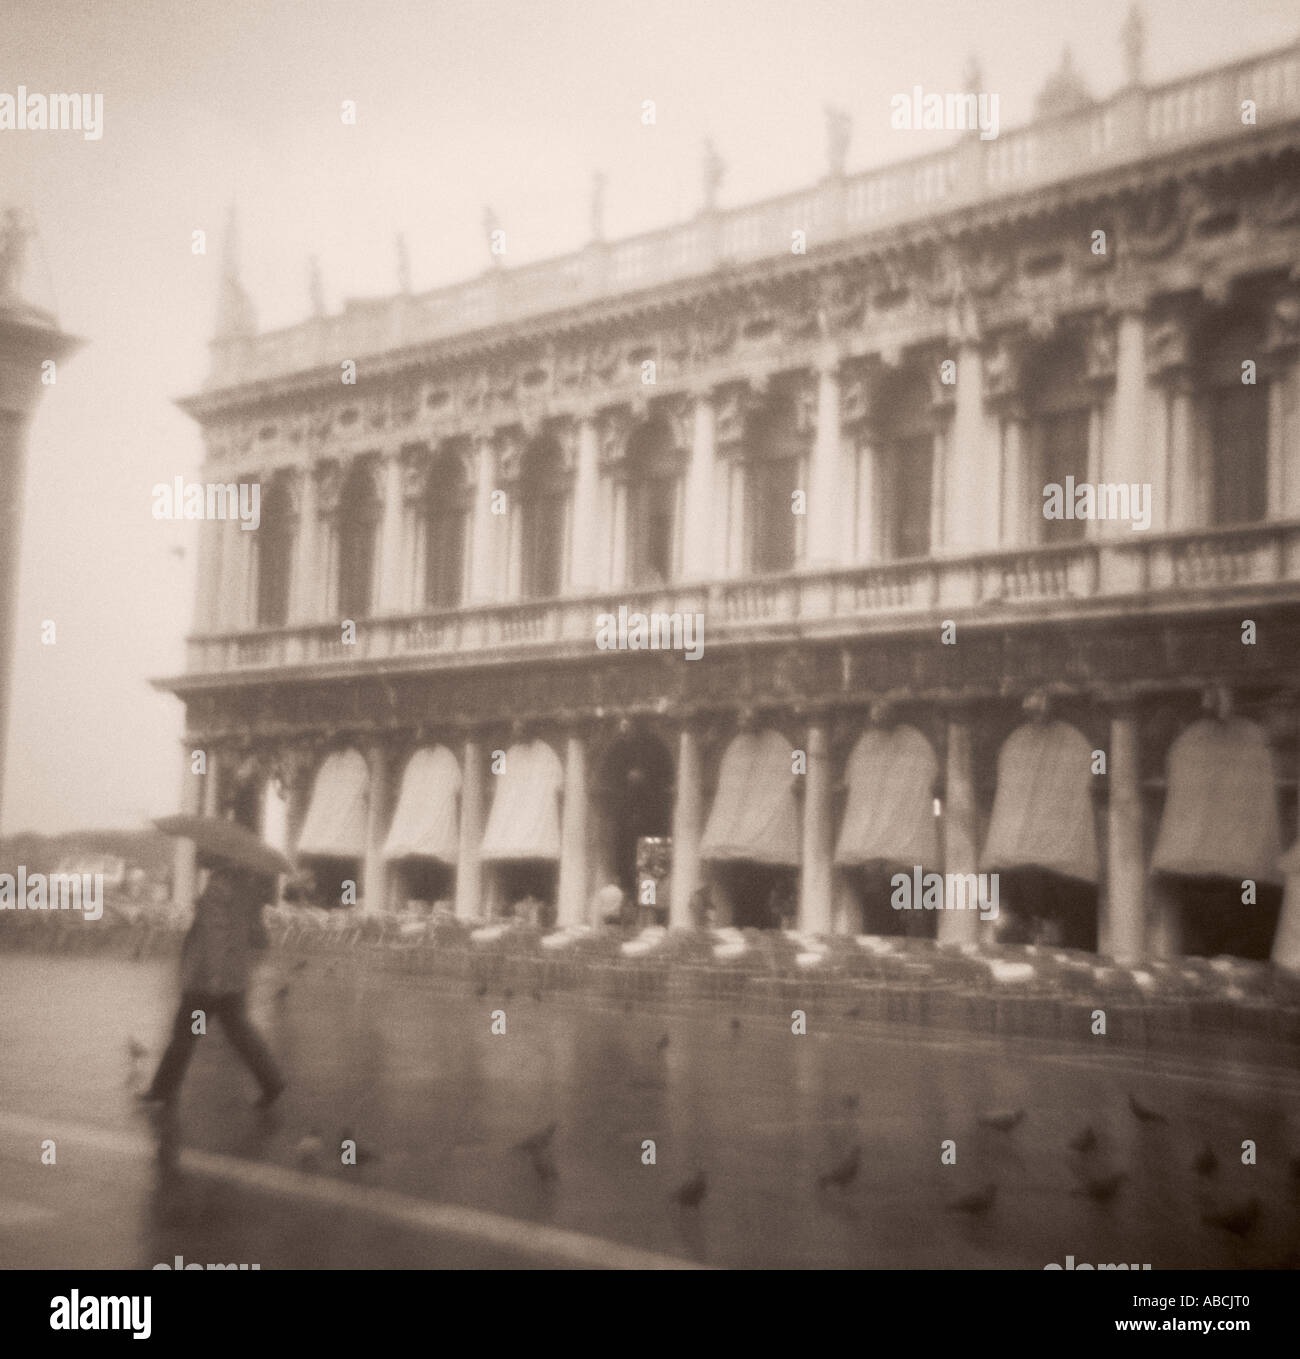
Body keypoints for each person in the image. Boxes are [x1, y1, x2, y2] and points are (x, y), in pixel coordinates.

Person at [140, 854, 285, 1109]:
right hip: (234, 980)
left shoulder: (218, 888)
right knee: (239, 1033)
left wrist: (213, 977)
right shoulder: (249, 890)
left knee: (185, 1034)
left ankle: (162, 1091)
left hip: (206, 982)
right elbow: (259, 938)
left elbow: (215, 936)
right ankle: (271, 1081)